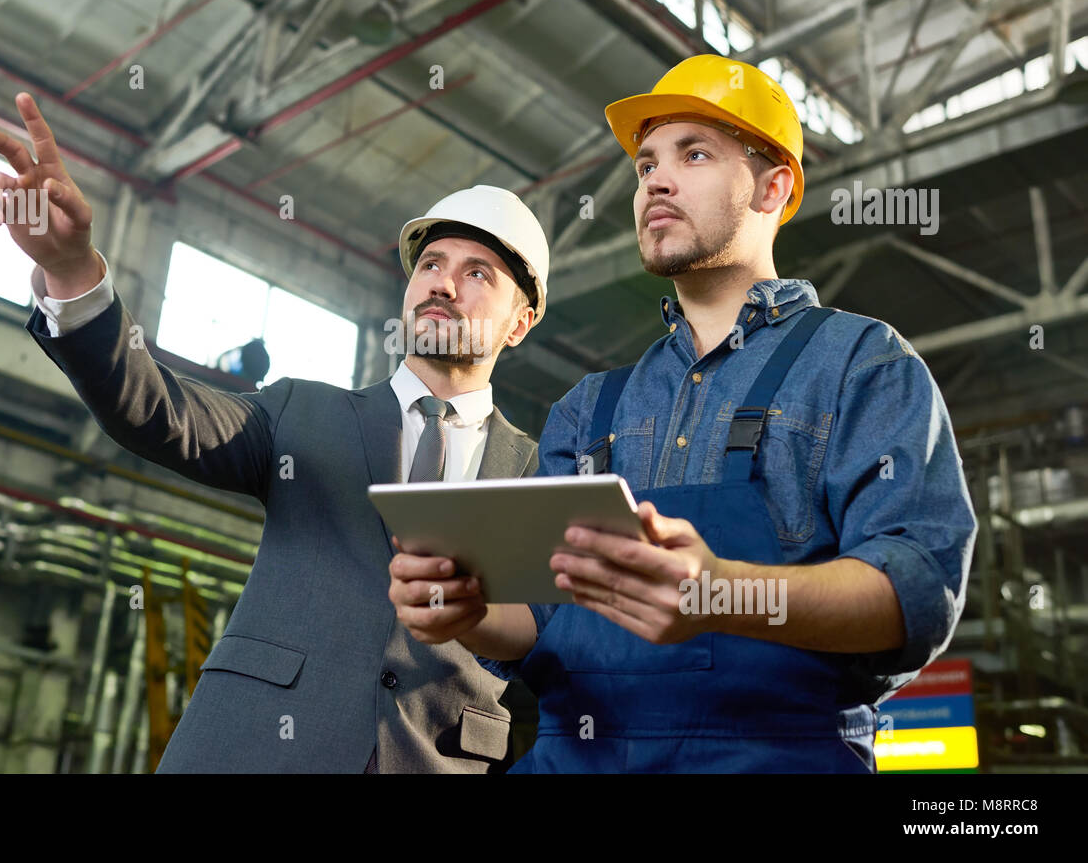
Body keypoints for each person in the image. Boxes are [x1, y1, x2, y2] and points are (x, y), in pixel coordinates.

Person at [388, 54, 977, 773]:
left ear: (774, 185)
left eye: (693, 153)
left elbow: (917, 590)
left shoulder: (861, 364)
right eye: (644, 165)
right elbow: (539, 621)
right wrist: (470, 613)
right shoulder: (590, 409)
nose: (655, 181)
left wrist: (721, 591)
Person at [0, 92, 550, 772]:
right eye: (431, 263)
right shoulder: (300, 413)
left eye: (476, 273)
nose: (443, 285)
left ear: (519, 322)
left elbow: (558, 638)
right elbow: (159, 411)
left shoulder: (544, 471)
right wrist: (73, 271)